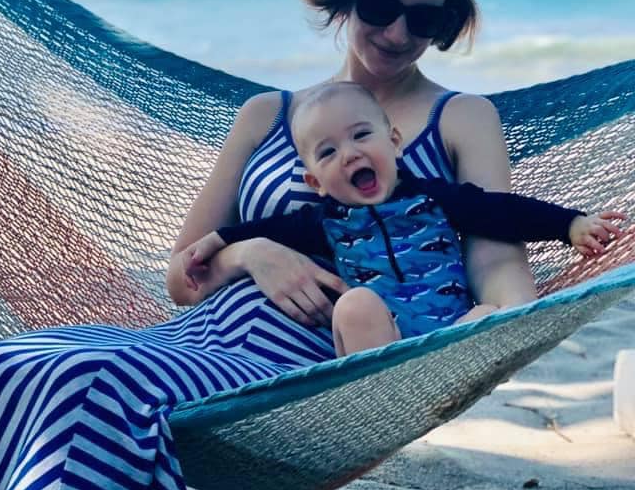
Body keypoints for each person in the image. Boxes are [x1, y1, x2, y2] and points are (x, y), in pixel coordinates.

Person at [0, 0, 544, 490]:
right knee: (9, 362)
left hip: (300, 372)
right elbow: (182, 276)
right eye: (379, 7)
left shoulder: (460, 119)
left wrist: (482, 335)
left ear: (448, 23)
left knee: (94, 383)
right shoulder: (267, 114)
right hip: (196, 335)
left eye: (426, 17)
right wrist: (255, 253)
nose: (399, 33)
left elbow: (500, 272)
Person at [181, 81, 628, 356]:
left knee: (488, 316)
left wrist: (569, 225)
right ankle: (376, 390)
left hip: (446, 334)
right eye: (329, 152)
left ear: (394, 142)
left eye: (361, 135)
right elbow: (263, 231)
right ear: (316, 183)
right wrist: (221, 239)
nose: (350, 153)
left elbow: (501, 211)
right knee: (355, 306)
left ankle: (429, 377)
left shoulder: (435, 198)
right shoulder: (321, 223)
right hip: (377, 343)